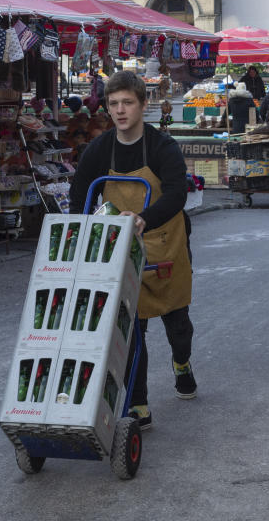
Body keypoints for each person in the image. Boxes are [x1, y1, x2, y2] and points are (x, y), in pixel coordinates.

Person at [69, 70, 195, 430]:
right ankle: (138, 402)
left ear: (143, 104)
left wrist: (144, 218)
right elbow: (81, 195)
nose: (120, 111)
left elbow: (176, 194)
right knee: (130, 330)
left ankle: (182, 361)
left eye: (127, 103)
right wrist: (78, 233)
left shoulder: (162, 147)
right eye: (113, 104)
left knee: (177, 324)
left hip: (165, 246)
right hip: (122, 252)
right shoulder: (99, 149)